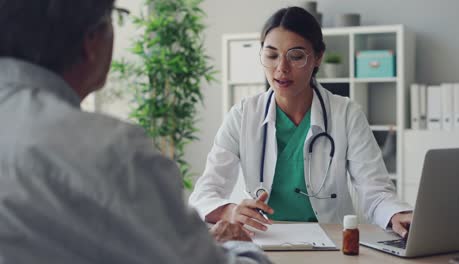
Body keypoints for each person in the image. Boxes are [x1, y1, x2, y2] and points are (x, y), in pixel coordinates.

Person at [0, 1, 272, 263]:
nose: (282, 67)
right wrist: (234, 245)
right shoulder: (109, 150)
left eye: (296, 55)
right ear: (92, 40)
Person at [189, 6, 413, 238]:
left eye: (296, 56)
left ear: (318, 57)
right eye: (272, 55)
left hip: (330, 243)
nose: (281, 68)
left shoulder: (346, 114)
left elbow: (375, 192)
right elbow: (204, 194)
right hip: (265, 240)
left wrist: (397, 214)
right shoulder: (243, 115)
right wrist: (231, 210)